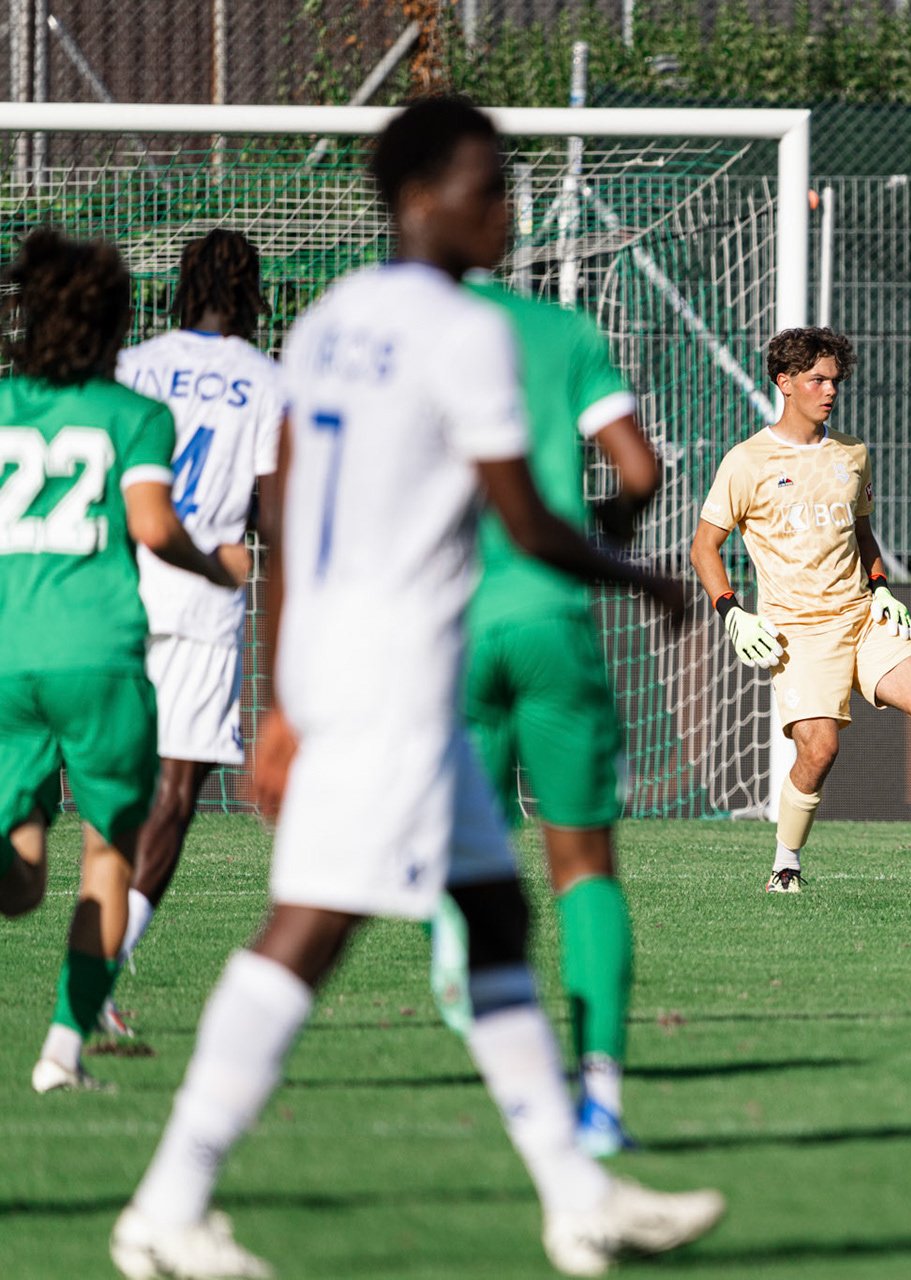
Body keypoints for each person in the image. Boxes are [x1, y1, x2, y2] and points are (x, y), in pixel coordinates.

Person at [111, 98, 722, 1279]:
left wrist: (282, 687)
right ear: (421, 196)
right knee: (311, 928)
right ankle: (168, 1202)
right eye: (488, 186)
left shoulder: (334, 319)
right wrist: (638, 574)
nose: (505, 209)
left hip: (357, 664)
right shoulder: (465, 332)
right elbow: (527, 515)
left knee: (494, 915)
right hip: (393, 674)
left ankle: (574, 1193)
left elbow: (281, 500)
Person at [0, 228, 241, 1094]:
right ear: (111, 325)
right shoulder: (134, 414)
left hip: (6, 655)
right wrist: (217, 563)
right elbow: (149, 524)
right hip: (97, 656)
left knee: (20, 874)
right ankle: (62, 1051)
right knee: (109, 850)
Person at [452, 269, 664, 1157]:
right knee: (583, 867)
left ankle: (506, 1065)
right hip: (549, 616)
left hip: (447, 623)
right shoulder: (561, 330)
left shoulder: (391, 331)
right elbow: (640, 470)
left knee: (468, 864)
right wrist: (611, 533)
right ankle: (603, 1102)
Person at [688, 327, 911, 892]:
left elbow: (863, 532)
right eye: (816, 380)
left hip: (861, 615)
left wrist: (880, 586)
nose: (829, 390)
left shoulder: (852, 453)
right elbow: (704, 548)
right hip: (798, 632)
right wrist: (731, 609)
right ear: (785, 383)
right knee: (820, 749)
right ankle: (786, 862)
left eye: (834, 380)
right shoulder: (746, 461)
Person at [104, 231, 282, 1026]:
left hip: (119, 592)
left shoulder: (134, 365)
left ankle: (92, 947)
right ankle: (105, 964)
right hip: (206, 599)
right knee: (176, 793)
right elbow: (272, 512)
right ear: (251, 293)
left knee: (108, 784)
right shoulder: (269, 380)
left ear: (182, 284)